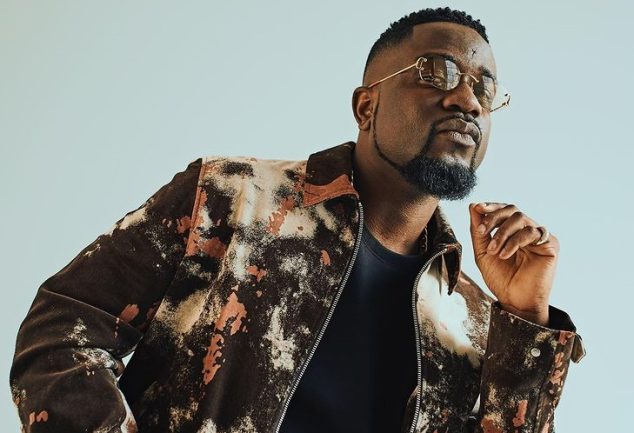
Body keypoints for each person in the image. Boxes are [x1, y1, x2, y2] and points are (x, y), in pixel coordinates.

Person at [10, 7, 585, 433]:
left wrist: (527, 318)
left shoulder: (474, 317)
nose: (468, 101)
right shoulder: (229, 197)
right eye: (438, 72)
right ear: (366, 105)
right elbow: (63, 329)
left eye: (485, 87)